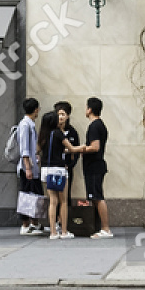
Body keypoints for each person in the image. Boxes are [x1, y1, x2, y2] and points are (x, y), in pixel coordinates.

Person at [72, 97, 112, 238]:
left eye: (86, 107)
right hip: (93, 166)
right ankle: (98, 227)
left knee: (97, 197)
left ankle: (106, 229)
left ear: (89, 109)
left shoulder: (95, 126)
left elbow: (95, 147)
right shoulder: (99, 125)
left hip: (94, 166)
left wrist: (80, 149)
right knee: (94, 197)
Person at [39, 104, 80, 239]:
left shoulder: (43, 134)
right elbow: (72, 148)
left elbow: (38, 151)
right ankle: (64, 231)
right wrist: (83, 148)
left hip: (45, 170)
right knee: (63, 201)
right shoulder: (58, 133)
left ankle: (52, 232)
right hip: (58, 170)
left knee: (52, 201)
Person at [16, 97, 44, 236]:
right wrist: (27, 167)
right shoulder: (25, 125)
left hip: (32, 166)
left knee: (35, 195)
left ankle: (34, 223)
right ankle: (25, 225)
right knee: (26, 196)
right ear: (35, 109)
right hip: (27, 168)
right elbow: (24, 149)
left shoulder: (30, 124)